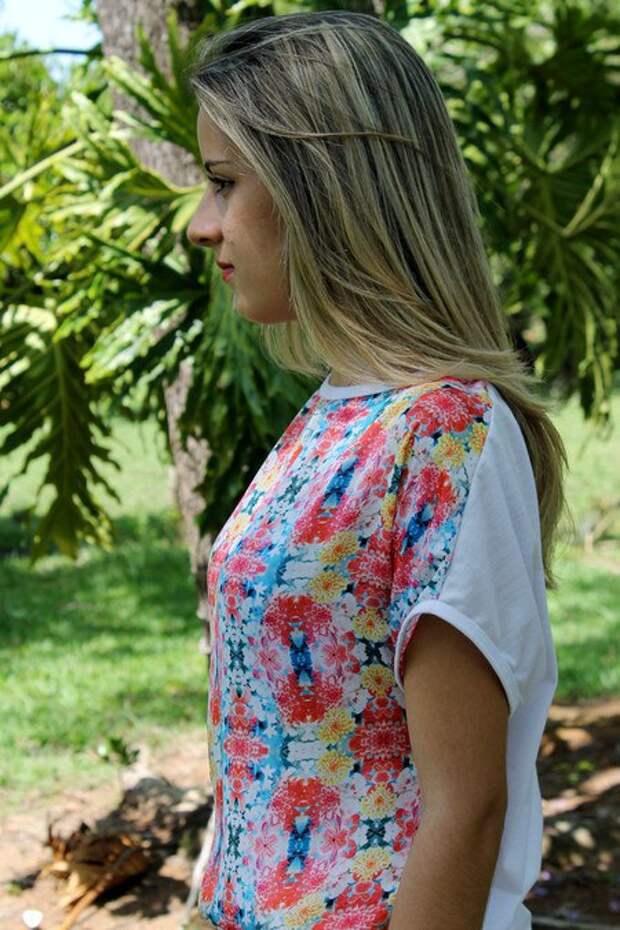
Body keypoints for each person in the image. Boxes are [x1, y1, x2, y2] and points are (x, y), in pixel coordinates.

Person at [185, 11, 568, 930]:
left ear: (322, 190)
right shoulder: (336, 415)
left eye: (225, 183)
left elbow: (466, 812)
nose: (202, 225)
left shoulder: (442, 431)